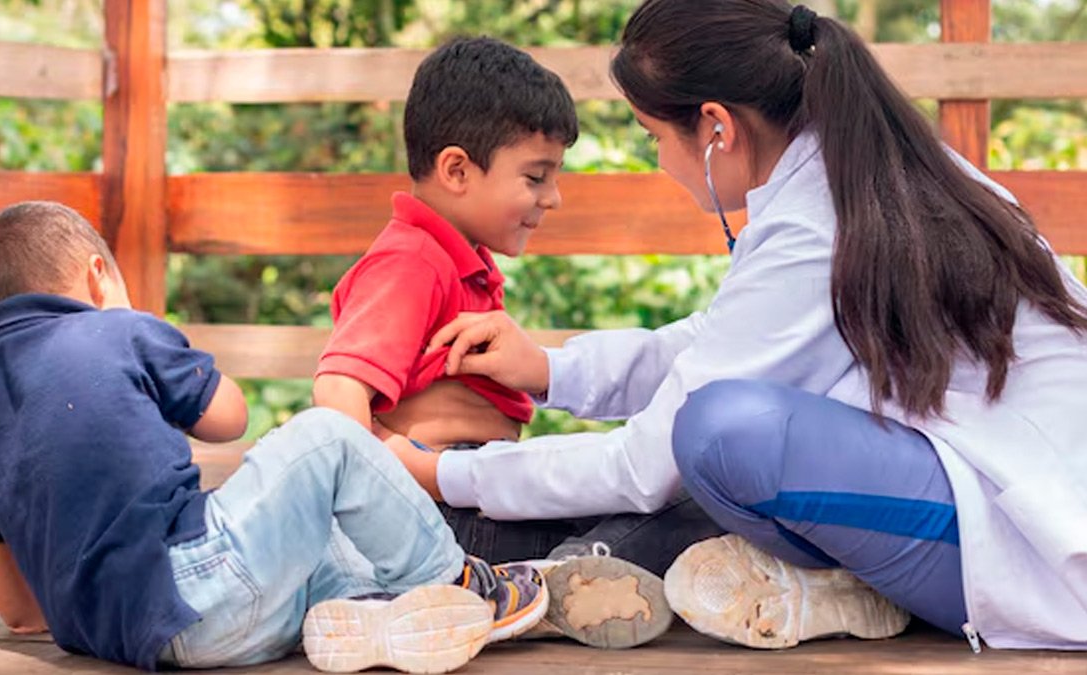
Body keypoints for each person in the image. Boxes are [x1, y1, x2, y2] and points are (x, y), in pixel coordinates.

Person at [393, 0, 1087, 653]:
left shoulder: (819, 222)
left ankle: (812, 583)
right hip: (980, 491)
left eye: (654, 136)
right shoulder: (853, 176)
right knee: (719, 430)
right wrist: (553, 369)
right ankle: (827, 587)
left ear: (717, 127)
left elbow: (645, 463)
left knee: (725, 433)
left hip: (1031, 544)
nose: (660, 160)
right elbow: (720, 339)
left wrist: (443, 472)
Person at [0, 201, 549, 674]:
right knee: (323, 440)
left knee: (312, 533)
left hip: (122, 639)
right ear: (97, 278)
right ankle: (464, 589)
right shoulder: (119, 330)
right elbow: (227, 417)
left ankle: (373, 614)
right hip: (196, 584)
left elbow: (19, 613)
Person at [312, 37, 689, 649]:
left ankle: (532, 585)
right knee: (667, 513)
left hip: (462, 498)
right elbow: (339, 387)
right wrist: (380, 509)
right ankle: (537, 586)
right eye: (535, 177)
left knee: (649, 504)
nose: (552, 198)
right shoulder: (411, 261)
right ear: (457, 170)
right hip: (441, 518)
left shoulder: (455, 263)